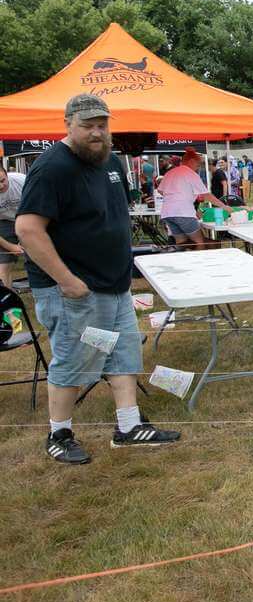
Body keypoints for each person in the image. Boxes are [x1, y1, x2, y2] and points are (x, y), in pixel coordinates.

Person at [17, 94, 181, 464]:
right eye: (87, 125)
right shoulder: (52, 167)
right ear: (67, 124)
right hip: (72, 291)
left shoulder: (111, 160)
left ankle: (129, 427)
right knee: (74, 360)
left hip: (114, 285)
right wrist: (66, 280)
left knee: (124, 353)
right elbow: (28, 229)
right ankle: (59, 434)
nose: (96, 132)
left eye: (102, 125)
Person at [158, 148, 230, 250]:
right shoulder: (191, 174)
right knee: (199, 242)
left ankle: (183, 258)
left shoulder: (170, 172)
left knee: (181, 243)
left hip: (168, 213)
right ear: (191, 161)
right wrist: (224, 206)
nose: (198, 167)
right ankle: (198, 259)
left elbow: (160, 190)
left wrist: (176, 196)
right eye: (198, 164)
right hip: (183, 213)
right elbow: (207, 195)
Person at [0, 164, 27, 287]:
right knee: (3, 266)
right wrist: (11, 247)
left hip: (27, 217)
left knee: (38, 259)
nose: (1, 186)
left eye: (2, 180)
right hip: (4, 221)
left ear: (7, 175)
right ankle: (7, 295)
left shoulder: (22, 180)